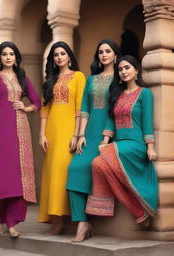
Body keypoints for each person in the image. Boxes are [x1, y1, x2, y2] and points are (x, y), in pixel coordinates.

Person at [86, 55, 158, 226]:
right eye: (120, 69)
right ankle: (138, 212)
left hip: (136, 146)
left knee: (104, 159)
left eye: (127, 68)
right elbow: (110, 120)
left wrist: (151, 147)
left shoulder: (144, 93)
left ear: (136, 71)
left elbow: (148, 122)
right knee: (97, 164)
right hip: (119, 145)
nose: (123, 71)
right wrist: (105, 140)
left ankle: (139, 209)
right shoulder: (117, 94)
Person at [0, 41, 41, 238]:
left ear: (16, 58)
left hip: (20, 134)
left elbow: (37, 102)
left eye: (11, 54)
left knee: (17, 178)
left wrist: (26, 108)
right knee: (0, 176)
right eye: (4, 54)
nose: (8, 57)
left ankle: (12, 221)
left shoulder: (22, 78)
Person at [66, 39, 120, 242]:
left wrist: (106, 137)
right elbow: (85, 109)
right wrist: (80, 135)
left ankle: (84, 225)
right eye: (100, 52)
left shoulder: (120, 78)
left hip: (110, 131)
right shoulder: (91, 79)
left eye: (108, 51)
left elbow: (115, 110)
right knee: (74, 168)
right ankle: (82, 221)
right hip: (90, 132)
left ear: (115, 55)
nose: (104, 55)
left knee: (93, 166)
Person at [38, 41, 86, 234]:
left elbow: (79, 107)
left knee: (65, 172)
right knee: (52, 173)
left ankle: (72, 219)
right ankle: (56, 221)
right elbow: (45, 108)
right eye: (56, 54)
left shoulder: (78, 77)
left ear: (69, 56)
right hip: (51, 131)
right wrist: (41, 133)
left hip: (69, 130)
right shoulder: (51, 79)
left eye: (63, 53)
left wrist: (76, 134)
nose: (59, 57)